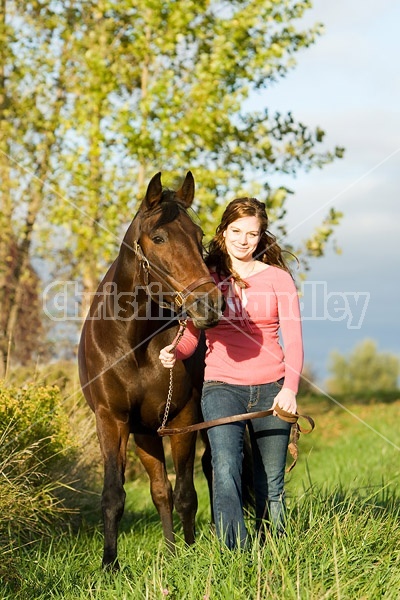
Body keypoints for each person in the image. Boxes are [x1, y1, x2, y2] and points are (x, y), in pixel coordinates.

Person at [159, 197, 303, 549]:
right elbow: (192, 336)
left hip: (272, 389)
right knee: (225, 469)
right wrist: (174, 352)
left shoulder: (278, 280)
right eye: (236, 231)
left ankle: (275, 548)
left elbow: (294, 341)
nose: (243, 240)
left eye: (252, 234)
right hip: (222, 387)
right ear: (223, 232)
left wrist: (290, 389)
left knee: (271, 478)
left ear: (261, 236)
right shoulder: (207, 279)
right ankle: (233, 552)